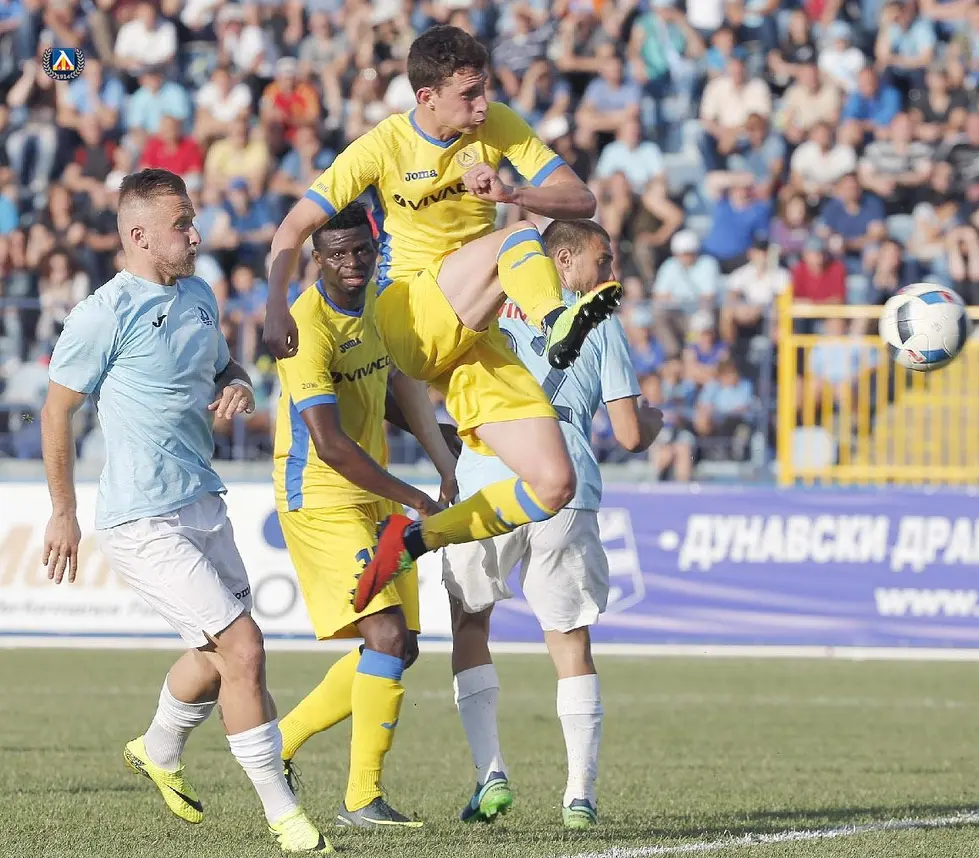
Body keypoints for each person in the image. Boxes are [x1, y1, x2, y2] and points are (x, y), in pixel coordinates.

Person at [262, 25, 619, 612]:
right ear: (427, 97)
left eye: (485, 90)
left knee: (555, 483)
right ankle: (558, 321)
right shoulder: (383, 146)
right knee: (519, 240)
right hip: (409, 310)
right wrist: (276, 304)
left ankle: (415, 540)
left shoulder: (496, 124)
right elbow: (294, 226)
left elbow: (581, 201)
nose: (482, 105)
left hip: (472, 330)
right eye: (469, 94)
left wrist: (511, 193)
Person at [40, 169, 331, 853]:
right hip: (141, 518)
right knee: (243, 648)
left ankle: (157, 748)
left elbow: (228, 369)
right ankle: (285, 815)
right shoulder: (103, 313)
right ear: (139, 235)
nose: (197, 235)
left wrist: (239, 386)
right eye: (182, 225)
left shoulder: (198, 294)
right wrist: (63, 512)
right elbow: (56, 412)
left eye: (193, 220)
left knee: (214, 655)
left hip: (203, 501)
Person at [441, 220, 663, 829]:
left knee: (470, 624)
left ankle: (490, 776)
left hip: (489, 484)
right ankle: (579, 796)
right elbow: (629, 434)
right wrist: (655, 420)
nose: (610, 272)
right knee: (569, 641)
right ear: (563, 260)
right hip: (565, 487)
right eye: (603, 259)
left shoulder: (485, 303)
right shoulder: (602, 319)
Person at [270, 203, 459, 828]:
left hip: (372, 493)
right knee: (385, 638)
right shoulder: (307, 327)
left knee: (401, 647)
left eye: (361, 250)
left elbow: (392, 391)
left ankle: (280, 741)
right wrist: (415, 496)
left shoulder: (380, 301)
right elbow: (329, 443)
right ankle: (361, 799)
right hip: (321, 496)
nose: (352, 263)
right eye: (338, 253)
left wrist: (443, 451)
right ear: (317, 258)